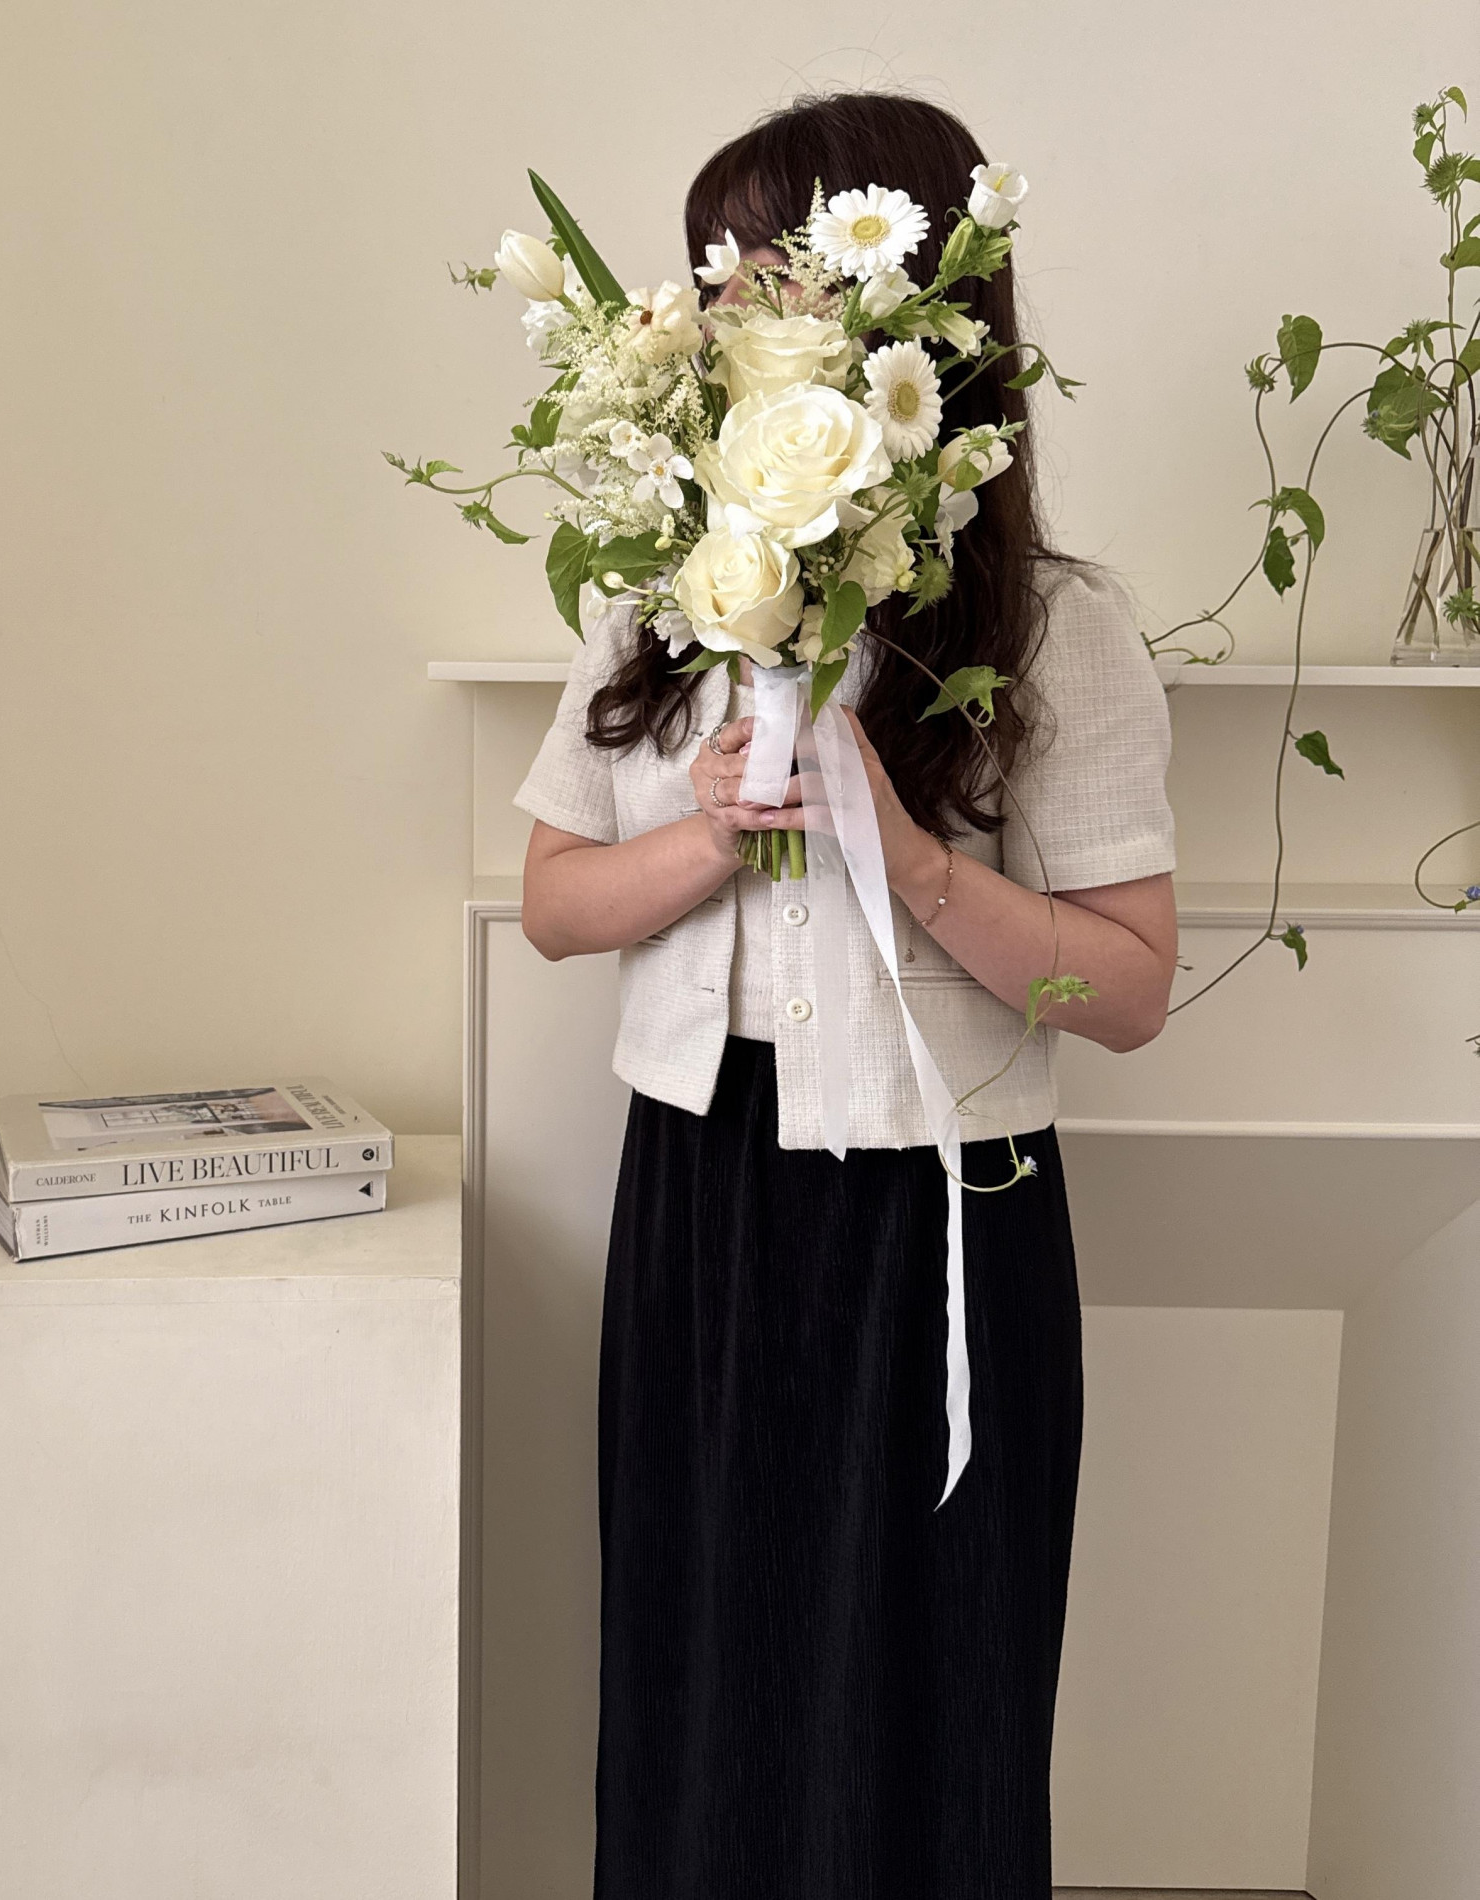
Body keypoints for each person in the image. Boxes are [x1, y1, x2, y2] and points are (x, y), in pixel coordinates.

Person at [512, 91, 1178, 1900]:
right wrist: (708, 839)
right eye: (712, 274)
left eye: (764, 268)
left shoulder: (1055, 627)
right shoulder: (658, 603)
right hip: (701, 1202)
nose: (722, 308)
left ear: (907, 308)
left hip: (944, 1210)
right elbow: (556, 906)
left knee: (933, 1695)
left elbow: (1128, 988)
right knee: (698, 1676)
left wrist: (910, 857)